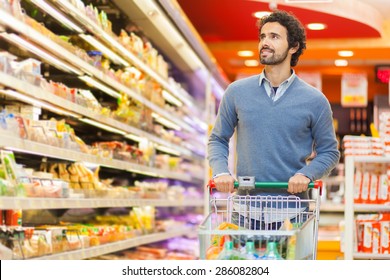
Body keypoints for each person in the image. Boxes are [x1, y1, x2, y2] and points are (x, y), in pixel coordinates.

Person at [207, 10, 340, 229]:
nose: (265, 43)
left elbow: (330, 152)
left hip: (293, 214)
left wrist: (306, 175)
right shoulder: (236, 92)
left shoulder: (315, 100)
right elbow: (218, 139)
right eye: (262, 37)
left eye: (274, 37)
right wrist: (221, 171)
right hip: (244, 212)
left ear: (294, 47)